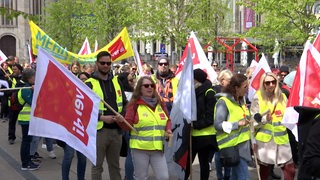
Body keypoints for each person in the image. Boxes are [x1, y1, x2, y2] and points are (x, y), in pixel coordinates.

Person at [119, 76, 172, 180]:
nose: (150, 88)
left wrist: (168, 129)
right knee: (141, 177)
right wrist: (120, 121)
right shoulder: (134, 105)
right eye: (146, 85)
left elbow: (168, 120)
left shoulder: (160, 103)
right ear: (140, 88)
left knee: (164, 177)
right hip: (140, 149)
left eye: (152, 85)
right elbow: (127, 126)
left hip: (157, 149)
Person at [85, 51, 127, 180]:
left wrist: (122, 115)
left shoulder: (116, 81)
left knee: (115, 166)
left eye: (108, 63)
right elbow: (85, 109)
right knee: (97, 166)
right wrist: (102, 118)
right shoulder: (89, 83)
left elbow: (125, 103)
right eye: (102, 63)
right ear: (97, 64)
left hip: (117, 131)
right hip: (99, 132)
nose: (105, 65)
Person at [250, 72, 295, 180]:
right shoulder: (258, 97)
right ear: (263, 84)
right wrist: (265, 119)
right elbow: (252, 121)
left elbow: (289, 114)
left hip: (282, 140)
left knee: (290, 170)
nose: (271, 85)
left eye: (273, 82)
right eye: (268, 82)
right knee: (264, 172)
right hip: (265, 142)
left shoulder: (283, 96)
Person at [214, 73, 251, 180]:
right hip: (233, 148)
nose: (247, 89)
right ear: (236, 88)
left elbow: (247, 120)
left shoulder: (241, 101)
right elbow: (217, 124)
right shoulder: (223, 102)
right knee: (243, 177)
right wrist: (237, 124)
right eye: (245, 87)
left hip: (242, 147)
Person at [184, 69, 218, 180]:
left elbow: (210, 117)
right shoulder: (193, 92)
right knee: (187, 164)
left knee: (204, 164)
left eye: (192, 79)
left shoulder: (209, 92)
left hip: (205, 137)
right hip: (192, 135)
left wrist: (196, 125)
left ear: (197, 80)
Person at [211, 69, 233, 180]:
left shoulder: (233, 92)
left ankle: (227, 175)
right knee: (219, 154)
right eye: (229, 80)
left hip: (231, 127)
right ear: (222, 81)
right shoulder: (215, 92)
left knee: (229, 153)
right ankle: (220, 176)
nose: (231, 82)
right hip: (219, 127)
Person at [18, 68, 40, 170]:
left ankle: (28, 160)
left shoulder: (28, 87)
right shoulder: (25, 89)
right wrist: (34, 90)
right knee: (26, 142)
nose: (35, 78)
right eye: (34, 77)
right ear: (29, 78)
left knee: (28, 141)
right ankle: (25, 164)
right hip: (25, 119)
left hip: (29, 119)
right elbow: (33, 102)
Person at [7, 63, 24, 144]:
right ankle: (11, 137)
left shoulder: (24, 78)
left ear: (20, 70)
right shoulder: (10, 78)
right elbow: (7, 89)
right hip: (13, 103)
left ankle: (26, 136)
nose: (13, 71)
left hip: (21, 103)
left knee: (23, 122)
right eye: (13, 69)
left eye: (15, 69)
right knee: (12, 121)